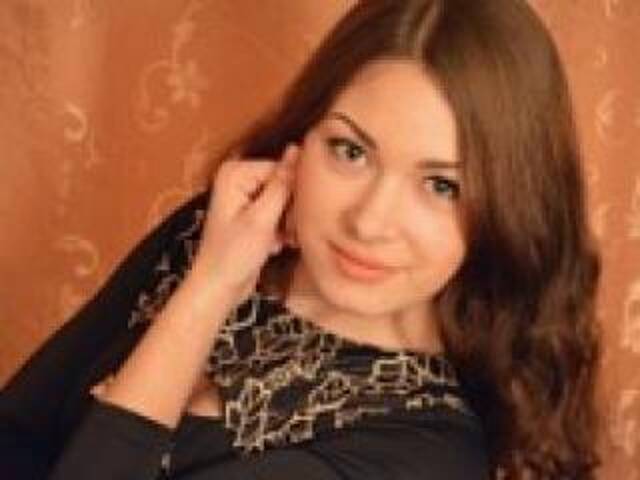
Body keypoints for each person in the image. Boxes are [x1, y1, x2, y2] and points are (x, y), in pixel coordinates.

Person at [0, 0, 602, 479]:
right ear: (302, 140)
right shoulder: (218, 237)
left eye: (442, 186)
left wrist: (207, 293)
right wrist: (215, 275)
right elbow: (17, 432)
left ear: (507, 210)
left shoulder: (425, 452)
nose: (369, 222)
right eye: (350, 151)